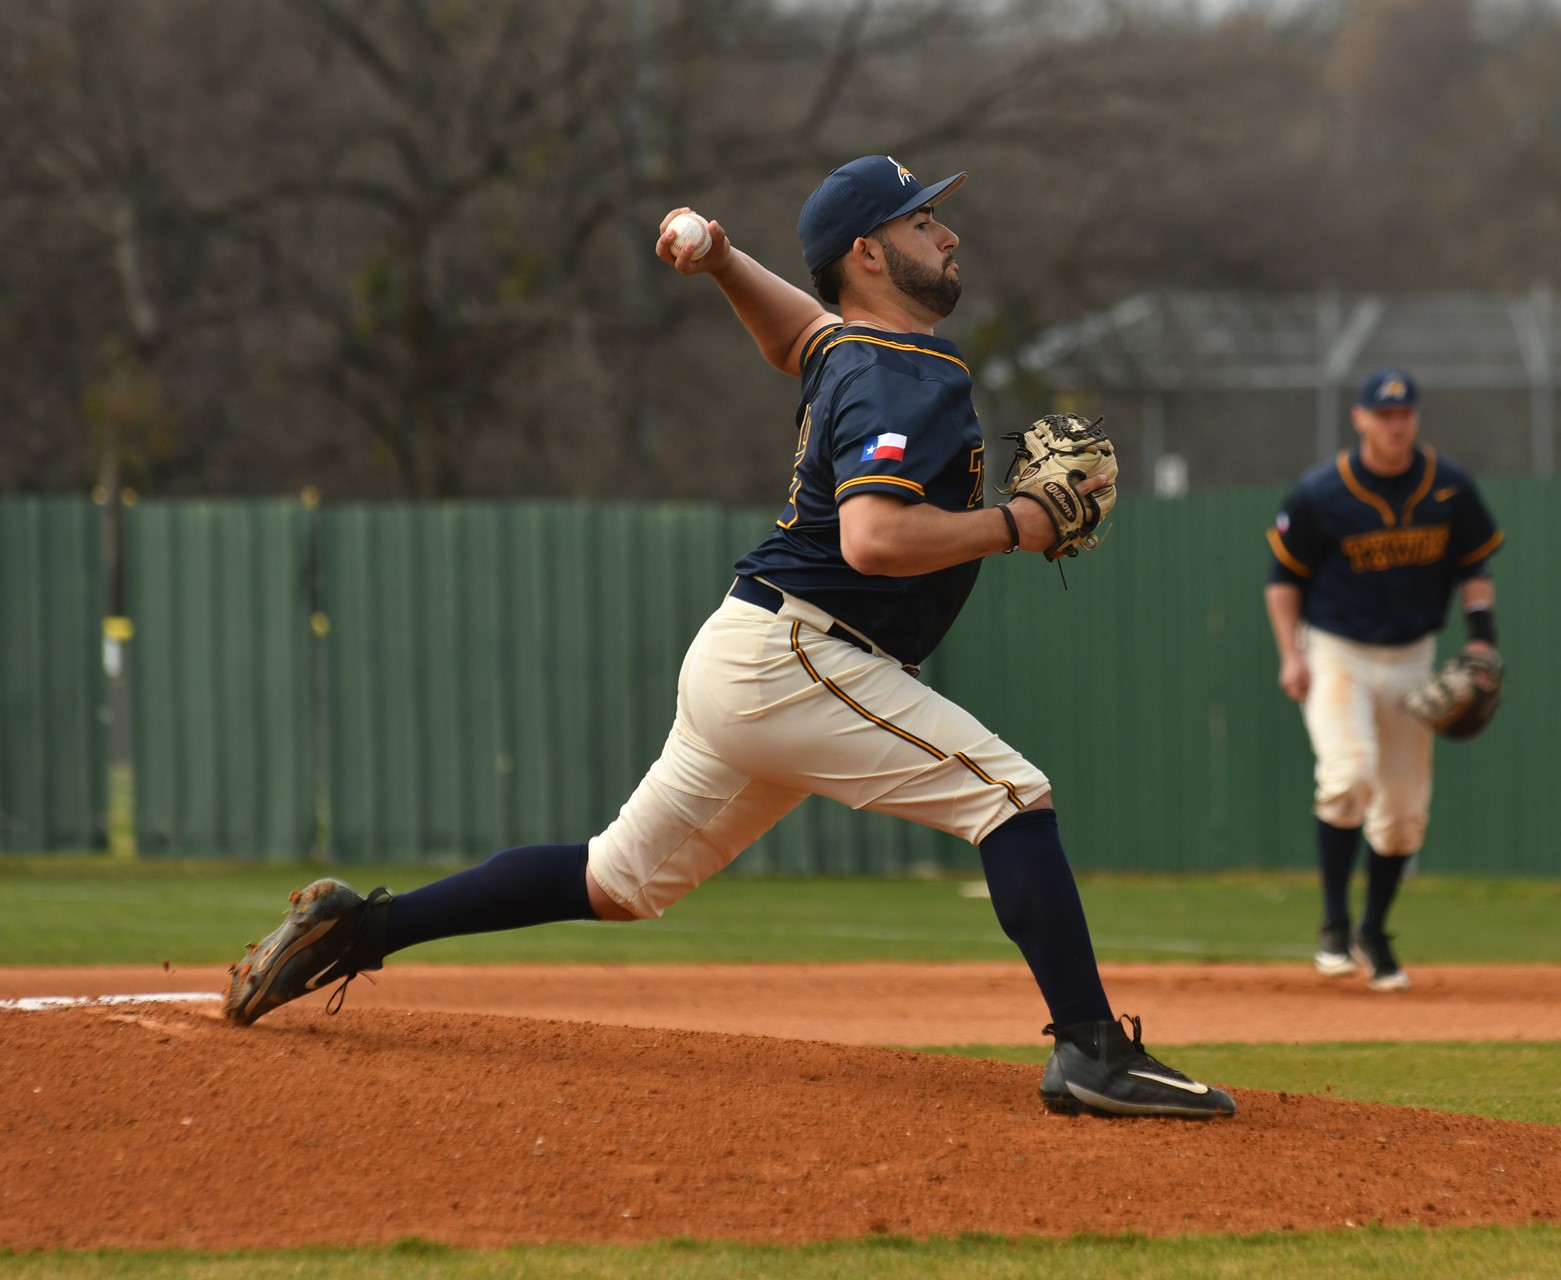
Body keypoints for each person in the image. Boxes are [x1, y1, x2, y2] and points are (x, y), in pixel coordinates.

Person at [224, 154, 1235, 1120]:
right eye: (923, 219)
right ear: (870, 254)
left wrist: (719, 259)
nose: (949, 231)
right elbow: (874, 538)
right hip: (803, 656)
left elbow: (792, 334)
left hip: (757, 654)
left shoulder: (853, 350)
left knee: (615, 879)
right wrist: (1022, 523)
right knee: (1012, 796)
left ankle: (358, 929)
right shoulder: (905, 374)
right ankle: (1093, 1050)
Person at [1263, 369, 1503, 991]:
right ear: (1361, 418)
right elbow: (1283, 580)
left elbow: (1475, 565)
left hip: (1413, 657)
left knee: (1402, 816)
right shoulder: (1321, 492)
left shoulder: (1447, 486)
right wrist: (1291, 655)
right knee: (1349, 775)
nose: (1396, 425)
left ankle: (1374, 929)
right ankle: (1335, 924)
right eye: (1383, 414)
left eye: (1405, 414)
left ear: (1414, 418)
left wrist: (1483, 637)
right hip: (1338, 653)